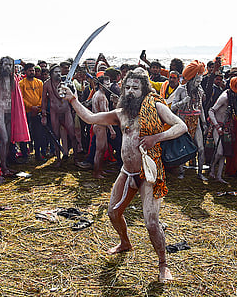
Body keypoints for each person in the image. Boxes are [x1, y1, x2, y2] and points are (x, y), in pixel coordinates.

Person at [61, 67, 187, 283]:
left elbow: (181, 126)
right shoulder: (121, 114)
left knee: (151, 222)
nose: (130, 91)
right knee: (112, 213)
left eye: (135, 88)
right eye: (127, 87)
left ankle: (163, 264)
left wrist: (156, 137)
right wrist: (73, 99)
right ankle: (125, 243)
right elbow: (90, 118)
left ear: (144, 89)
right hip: (126, 172)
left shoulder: (156, 106)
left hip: (148, 173)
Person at [0, 56, 30, 175]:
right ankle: (3, 166)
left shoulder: (14, 78)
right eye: (5, 64)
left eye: (10, 65)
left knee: (9, 141)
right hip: (0, 110)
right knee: (4, 139)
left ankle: (5, 164)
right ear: (1, 65)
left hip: (11, 111)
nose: (8, 67)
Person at [208, 77, 237, 183]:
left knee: (225, 152)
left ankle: (219, 176)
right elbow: (211, 111)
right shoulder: (225, 97)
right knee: (220, 152)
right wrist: (217, 127)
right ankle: (212, 168)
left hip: (226, 127)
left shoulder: (233, 97)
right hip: (218, 127)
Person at [172, 60, 207, 180]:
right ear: (191, 79)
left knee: (201, 148)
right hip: (183, 121)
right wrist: (183, 102)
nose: (198, 83)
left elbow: (200, 108)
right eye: (197, 81)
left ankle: (200, 173)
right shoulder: (181, 90)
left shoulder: (200, 90)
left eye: (200, 81)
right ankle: (181, 172)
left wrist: (204, 123)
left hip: (196, 122)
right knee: (183, 148)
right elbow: (172, 107)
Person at [41, 64, 79, 166]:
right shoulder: (47, 84)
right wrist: (44, 114)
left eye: (59, 72)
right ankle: (58, 159)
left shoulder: (66, 83)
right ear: (51, 73)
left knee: (72, 135)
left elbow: (74, 95)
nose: (58, 74)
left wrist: (75, 108)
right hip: (54, 112)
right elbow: (44, 99)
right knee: (56, 135)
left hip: (66, 110)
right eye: (55, 72)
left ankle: (75, 158)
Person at [19, 63, 45, 162]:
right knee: (25, 134)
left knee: (38, 134)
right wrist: (31, 107)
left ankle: (38, 154)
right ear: (25, 72)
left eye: (33, 70)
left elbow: (42, 96)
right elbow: (21, 98)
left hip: (37, 112)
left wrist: (38, 106)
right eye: (30, 70)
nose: (32, 72)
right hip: (26, 113)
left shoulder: (39, 82)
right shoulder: (21, 84)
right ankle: (25, 155)